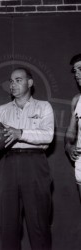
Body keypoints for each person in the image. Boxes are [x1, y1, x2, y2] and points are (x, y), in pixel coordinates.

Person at [0, 67, 54, 250]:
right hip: (7, 163)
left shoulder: (44, 106)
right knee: (8, 224)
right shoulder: (1, 111)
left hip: (35, 163)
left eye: (18, 80)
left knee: (39, 224)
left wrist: (20, 133)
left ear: (30, 82)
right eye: (11, 81)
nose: (13, 84)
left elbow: (48, 136)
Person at [65, 54, 81, 198]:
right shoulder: (76, 101)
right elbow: (71, 133)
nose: (77, 74)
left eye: (80, 69)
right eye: (75, 71)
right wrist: (69, 146)